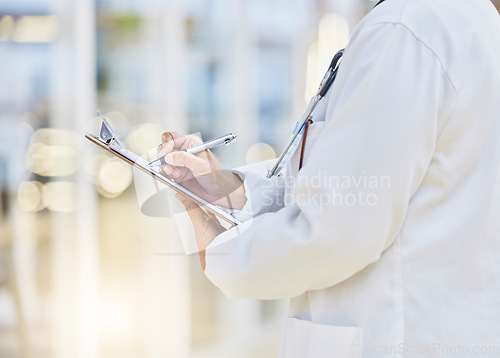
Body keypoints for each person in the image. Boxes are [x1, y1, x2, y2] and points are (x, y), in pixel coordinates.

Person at [156, 0, 500, 356]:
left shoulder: (404, 28)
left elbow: (335, 230)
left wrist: (217, 248)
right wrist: (233, 189)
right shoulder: (474, 20)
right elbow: (371, 181)